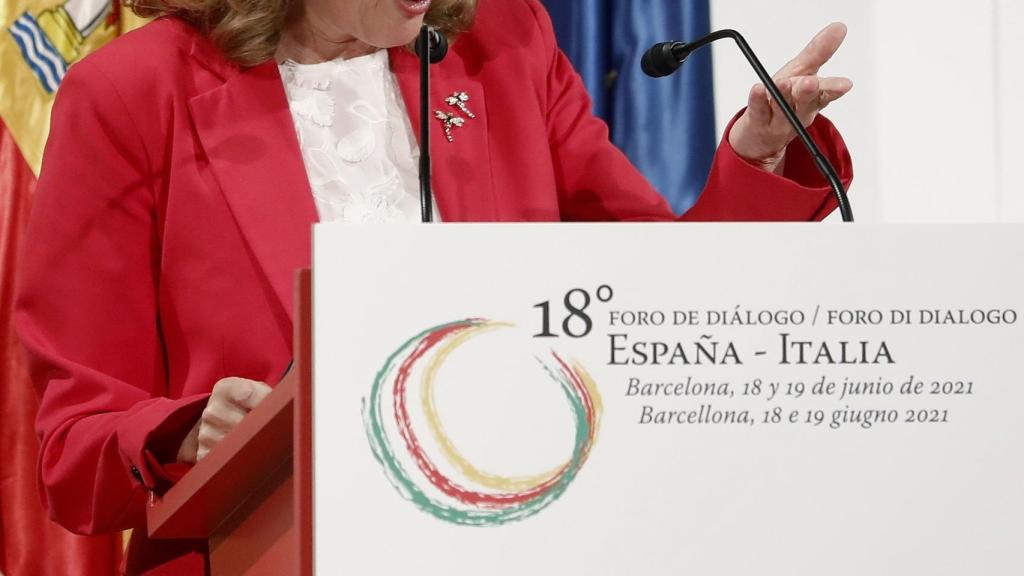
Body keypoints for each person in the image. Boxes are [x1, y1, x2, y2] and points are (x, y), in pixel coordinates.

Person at [14, 0, 853, 573]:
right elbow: (72, 442)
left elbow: (658, 309)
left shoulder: (505, 45)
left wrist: (757, 153)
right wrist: (188, 432)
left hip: (523, 540)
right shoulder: (130, 95)